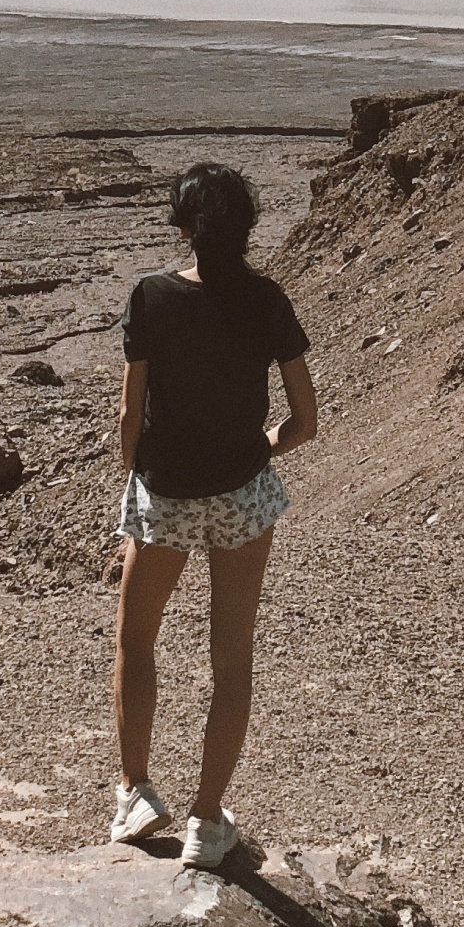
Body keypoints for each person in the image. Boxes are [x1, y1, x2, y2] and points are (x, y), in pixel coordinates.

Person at [110, 160, 318, 870]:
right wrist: (262, 446)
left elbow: (128, 418)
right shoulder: (267, 300)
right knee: (231, 661)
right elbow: (306, 420)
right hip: (242, 494)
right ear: (248, 226)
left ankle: (136, 791)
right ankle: (206, 821)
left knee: (137, 641)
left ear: (181, 226)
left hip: (165, 491)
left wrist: (137, 476)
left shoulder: (151, 297)